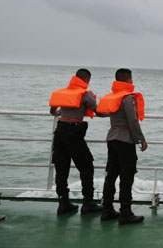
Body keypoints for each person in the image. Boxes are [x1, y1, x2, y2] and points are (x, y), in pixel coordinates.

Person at [48, 68, 104, 215]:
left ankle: (63, 203)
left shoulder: (63, 92)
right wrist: (115, 113)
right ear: (86, 80)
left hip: (60, 130)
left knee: (62, 167)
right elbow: (99, 111)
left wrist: (60, 113)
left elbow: (53, 111)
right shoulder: (86, 95)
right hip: (74, 131)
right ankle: (88, 203)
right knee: (86, 166)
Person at [96, 68, 148, 225]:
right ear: (128, 80)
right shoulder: (127, 98)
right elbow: (132, 121)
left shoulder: (113, 97)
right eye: (131, 80)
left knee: (111, 175)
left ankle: (107, 209)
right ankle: (125, 213)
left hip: (112, 138)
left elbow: (101, 112)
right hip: (125, 141)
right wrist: (141, 139)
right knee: (127, 177)